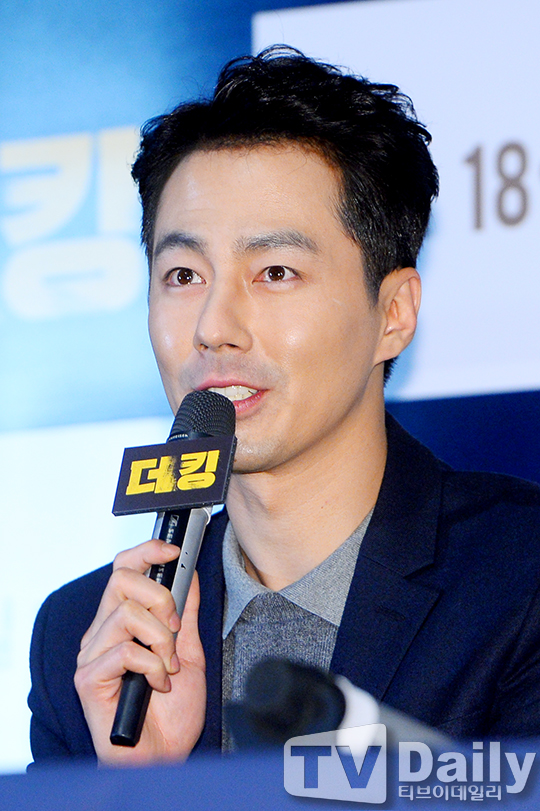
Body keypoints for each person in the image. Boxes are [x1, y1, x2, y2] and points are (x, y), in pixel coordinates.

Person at [29, 46, 540, 766]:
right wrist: (144, 786)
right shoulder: (86, 643)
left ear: (393, 313)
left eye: (274, 272)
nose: (213, 326)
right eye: (183, 275)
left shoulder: (518, 579)